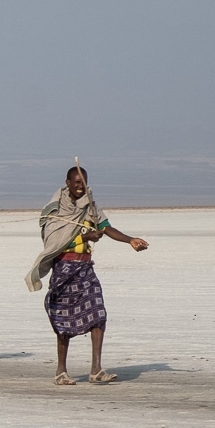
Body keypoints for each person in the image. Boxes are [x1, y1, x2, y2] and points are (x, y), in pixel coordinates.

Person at [25, 163, 149, 385]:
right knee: (63, 320)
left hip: (85, 269)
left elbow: (106, 228)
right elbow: (54, 240)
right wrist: (84, 237)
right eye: (76, 182)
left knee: (98, 314)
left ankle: (96, 370)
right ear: (68, 183)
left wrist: (130, 239)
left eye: (83, 182)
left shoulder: (90, 206)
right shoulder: (56, 209)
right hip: (64, 269)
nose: (80, 187)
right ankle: (61, 372)